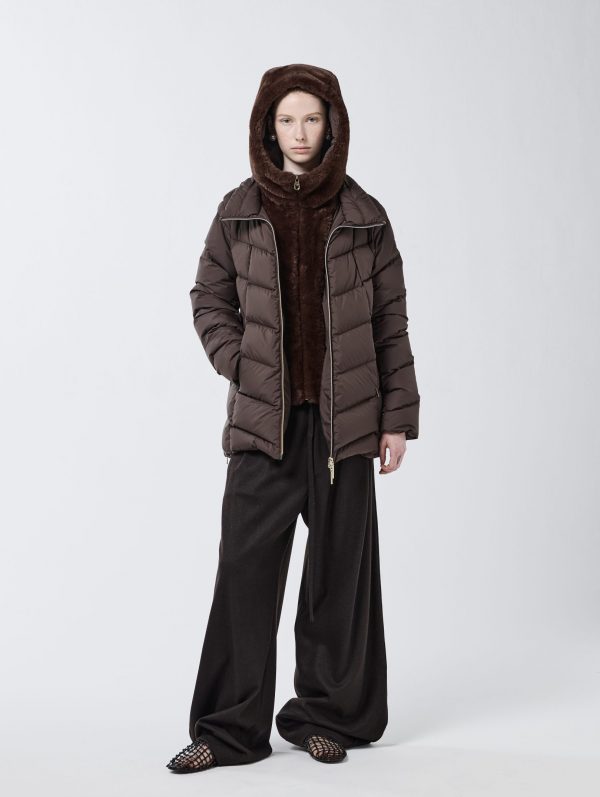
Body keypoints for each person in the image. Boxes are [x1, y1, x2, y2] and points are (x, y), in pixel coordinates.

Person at [166, 63, 420, 772]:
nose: (300, 133)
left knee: (339, 579)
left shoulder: (365, 215)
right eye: (286, 120)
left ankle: (325, 716)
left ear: (332, 124)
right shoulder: (239, 209)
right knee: (244, 574)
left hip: (346, 426)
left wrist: (396, 418)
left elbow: (391, 322)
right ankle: (227, 729)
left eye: (311, 118)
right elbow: (208, 297)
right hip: (264, 425)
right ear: (267, 127)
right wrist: (240, 363)